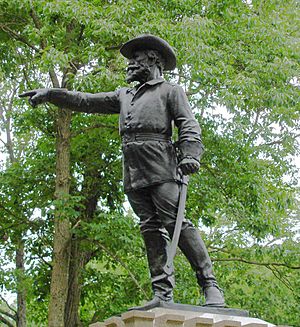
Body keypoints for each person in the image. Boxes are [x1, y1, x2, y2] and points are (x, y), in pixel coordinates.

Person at [20, 34, 225, 308]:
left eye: (135, 60)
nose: (128, 65)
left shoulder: (170, 91)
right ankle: (162, 293)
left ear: (152, 59)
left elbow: (189, 125)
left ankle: (210, 285)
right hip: (133, 169)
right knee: (150, 229)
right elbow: (85, 101)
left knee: (176, 223)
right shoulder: (123, 95)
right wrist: (51, 94)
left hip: (162, 164)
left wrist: (190, 155)